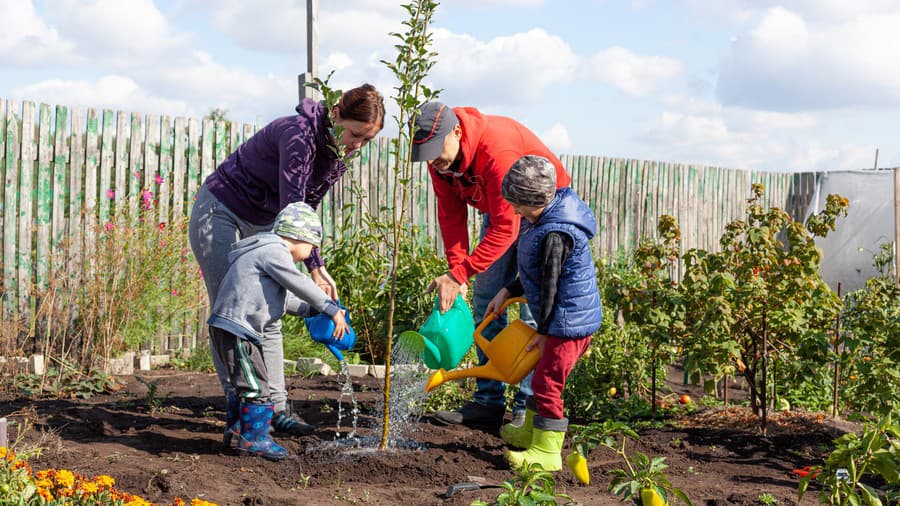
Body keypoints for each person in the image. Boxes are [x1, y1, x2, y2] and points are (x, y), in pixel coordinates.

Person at [189, 84, 384, 444]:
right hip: (221, 212)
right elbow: (293, 204)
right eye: (355, 134)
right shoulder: (298, 136)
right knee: (232, 313)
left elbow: (305, 213)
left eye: (366, 141)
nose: (357, 145)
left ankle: (275, 409)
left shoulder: (337, 152)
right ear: (337, 114)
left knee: (271, 311)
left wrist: (317, 263)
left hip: (268, 222)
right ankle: (243, 411)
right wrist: (312, 267)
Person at [411, 102, 571, 428]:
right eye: (426, 153)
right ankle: (487, 403)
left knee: (532, 306)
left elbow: (507, 227)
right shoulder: (440, 163)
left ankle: (527, 408)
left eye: (435, 150)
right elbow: (451, 216)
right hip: (499, 213)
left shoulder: (496, 152)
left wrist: (459, 274)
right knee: (486, 301)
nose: (433, 160)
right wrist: (459, 271)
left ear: (456, 131)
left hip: (542, 210)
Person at [486, 155, 602, 471]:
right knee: (541, 378)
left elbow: (551, 287)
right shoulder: (543, 221)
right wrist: (508, 290)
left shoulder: (556, 235)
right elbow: (536, 275)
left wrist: (543, 332)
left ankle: (547, 453)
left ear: (535, 200)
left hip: (569, 324)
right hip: (561, 320)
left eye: (518, 204)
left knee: (548, 382)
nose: (514, 210)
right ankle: (530, 432)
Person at [207, 201, 349, 461]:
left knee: (247, 384)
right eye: (312, 247)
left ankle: (238, 430)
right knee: (257, 387)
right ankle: (256, 440)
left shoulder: (265, 254)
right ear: (300, 237)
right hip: (237, 330)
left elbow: (284, 301)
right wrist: (330, 308)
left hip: (234, 329)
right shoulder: (275, 252)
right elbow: (300, 283)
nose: (310, 254)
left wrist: (312, 311)